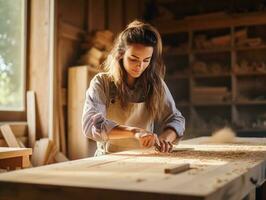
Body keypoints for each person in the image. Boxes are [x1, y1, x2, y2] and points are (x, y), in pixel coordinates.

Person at [82, 20, 185, 156]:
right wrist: (135, 132)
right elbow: (91, 125)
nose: (140, 66)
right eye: (134, 59)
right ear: (120, 55)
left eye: (146, 60)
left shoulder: (155, 84)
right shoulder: (102, 83)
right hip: (109, 159)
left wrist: (166, 138)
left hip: (145, 158)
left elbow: (176, 119)